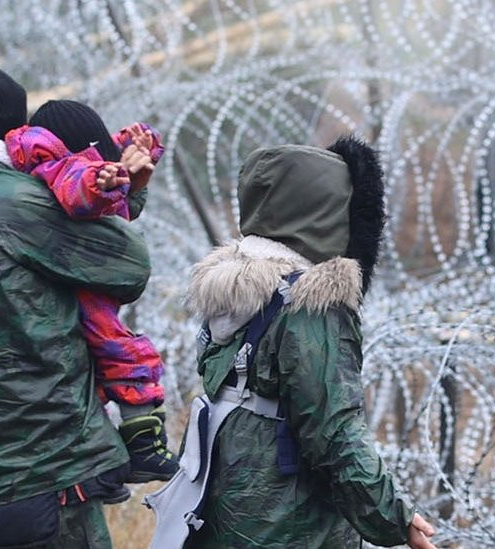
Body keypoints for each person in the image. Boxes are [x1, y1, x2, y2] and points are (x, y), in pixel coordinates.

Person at [0, 62, 151, 548]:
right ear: (14, 126)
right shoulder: (14, 200)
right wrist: (118, 188)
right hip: (49, 471)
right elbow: (127, 265)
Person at [157, 136, 436, 548]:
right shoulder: (310, 302)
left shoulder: (235, 290)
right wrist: (393, 516)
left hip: (224, 511)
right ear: (325, 211)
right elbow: (335, 432)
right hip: (287, 523)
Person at [3, 99, 177, 482]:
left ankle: (122, 442)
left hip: (80, 283)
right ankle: (144, 448)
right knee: (125, 356)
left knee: (106, 364)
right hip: (84, 293)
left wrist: (143, 145)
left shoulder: (61, 155)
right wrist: (104, 181)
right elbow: (80, 188)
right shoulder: (66, 169)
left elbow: (104, 175)